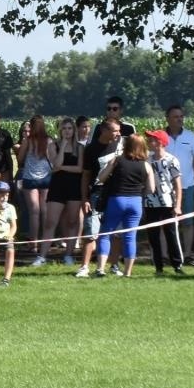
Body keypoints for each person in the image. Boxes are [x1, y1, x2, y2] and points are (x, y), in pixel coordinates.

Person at [93, 134, 154, 279]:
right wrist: (140, 193)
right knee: (130, 237)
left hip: (117, 200)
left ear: (127, 146)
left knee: (106, 233)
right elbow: (151, 189)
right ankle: (127, 272)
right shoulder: (146, 165)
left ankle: (100, 269)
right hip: (135, 202)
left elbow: (101, 178)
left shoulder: (117, 160)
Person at [75, 119, 122, 278]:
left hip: (116, 194)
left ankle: (114, 265)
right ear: (104, 130)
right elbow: (85, 176)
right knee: (91, 232)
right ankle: (84, 267)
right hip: (96, 194)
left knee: (116, 232)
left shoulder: (121, 145)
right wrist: (84, 199)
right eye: (115, 130)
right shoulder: (91, 149)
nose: (118, 133)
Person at [142, 129, 184, 275]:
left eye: (152, 139)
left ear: (160, 142)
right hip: (150, 203)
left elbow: (178, 185)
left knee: (171, 235)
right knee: (153, 236)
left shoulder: (171, 161)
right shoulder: (147, 160)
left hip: (168, 203)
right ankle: (158, 267)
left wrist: (178, 206)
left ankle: (177, 265)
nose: (148, 142)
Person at [164, 105, 194, 259]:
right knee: (167, 222)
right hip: (165, 188)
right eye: (175, 116)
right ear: (167, 119)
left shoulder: (190, 136)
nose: (179, 119)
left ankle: (186, 253)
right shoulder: (161, 137)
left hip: (187, 185)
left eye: (181, 116)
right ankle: (166, 254)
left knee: (187, 222)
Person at [44, 117, 84, 266]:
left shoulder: (79, 148)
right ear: (60, 130)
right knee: (50, 222)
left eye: (70, 128)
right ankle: (42, 256)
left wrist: (62, 168)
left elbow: (79, 168)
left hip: (74, 186)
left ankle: (69, 254)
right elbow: (55, 166)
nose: (67, 131)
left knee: (73, 221)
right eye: (64, 128)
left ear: (74, 130)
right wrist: (63, 146)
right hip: (57, 186)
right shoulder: (53, 145)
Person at [18, 116, 54, 264]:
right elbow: (52, 159)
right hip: (46, 178)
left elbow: (20, 159)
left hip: (30, 178)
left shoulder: (28, 141)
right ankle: (46, 243)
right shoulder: (49, 141)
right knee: (44, 210)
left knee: (34, 211)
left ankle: (33, 244)